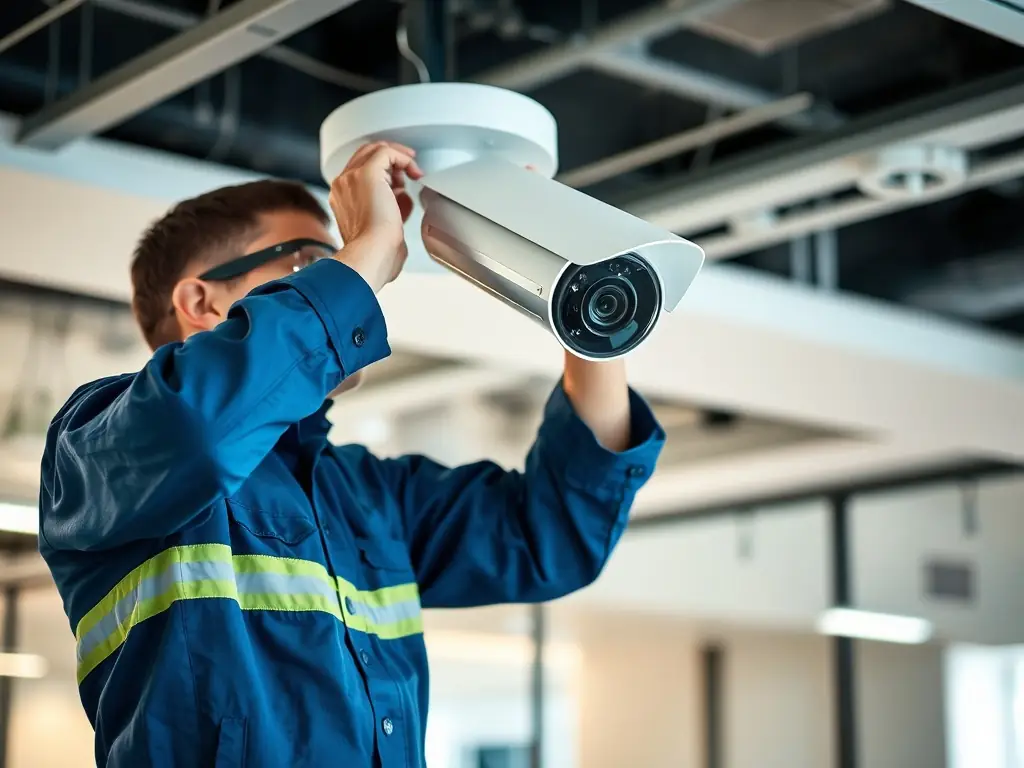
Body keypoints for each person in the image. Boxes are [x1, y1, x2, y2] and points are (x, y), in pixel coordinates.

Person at [38, 140, 665, 767]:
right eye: (309, 263)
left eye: (332, 262)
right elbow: (197, 434)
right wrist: (368, 249)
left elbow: (550, 536)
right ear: (202, 304)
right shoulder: (97, 445)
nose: (338, 282)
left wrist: (587, 293)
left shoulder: (370, 495)